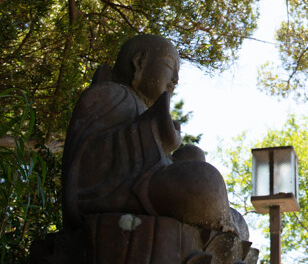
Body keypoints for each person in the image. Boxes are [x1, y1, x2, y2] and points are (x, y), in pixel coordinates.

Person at [62, 34, 230, 230]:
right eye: (169, 67)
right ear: (139, 63)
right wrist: (154, 131)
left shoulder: (140, 108)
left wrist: (163, 141)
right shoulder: (111, 93)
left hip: (148, 182)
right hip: (121, 191)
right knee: (205, 182)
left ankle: (222, 222)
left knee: (193, 156)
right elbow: (87, 162)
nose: (175, 79)